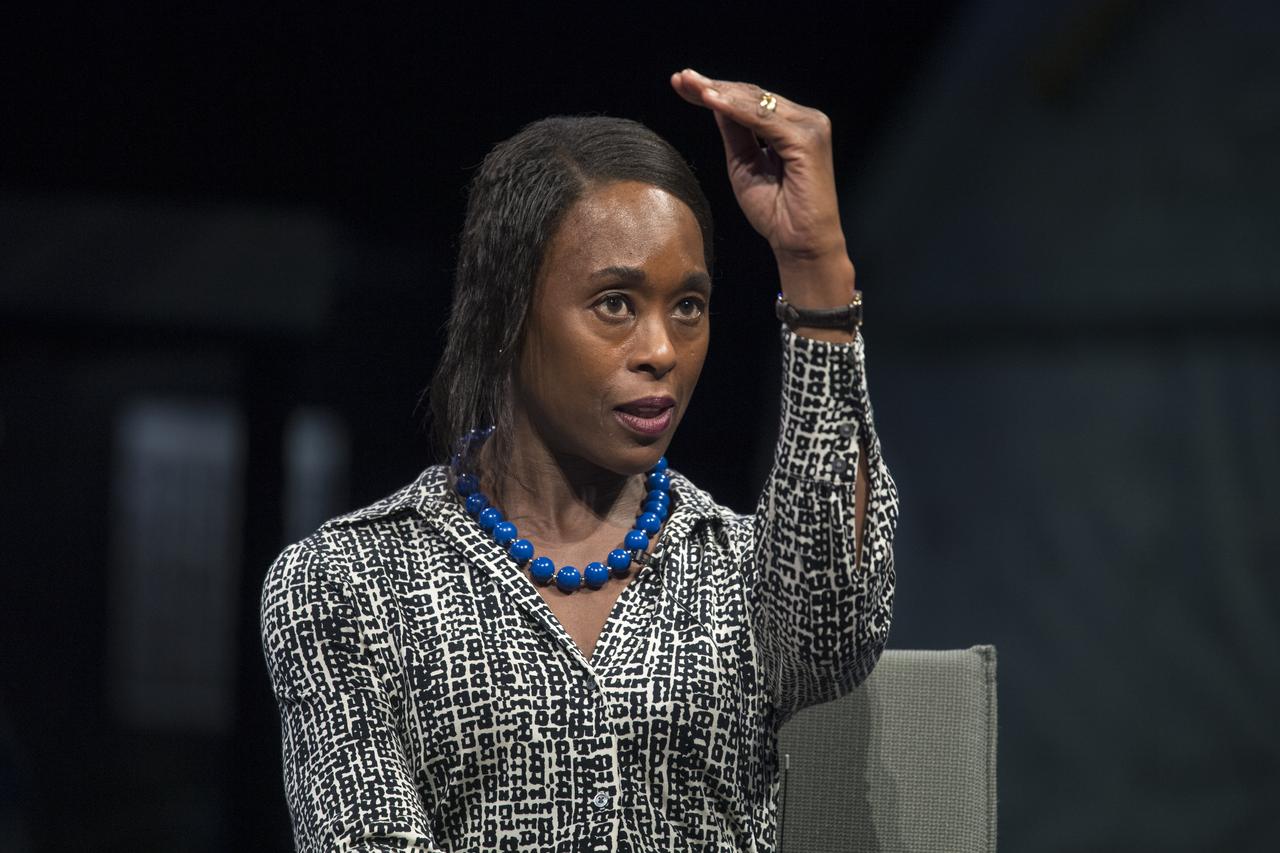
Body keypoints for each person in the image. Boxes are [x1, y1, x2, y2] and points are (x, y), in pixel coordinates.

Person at [261, 68, 898, 852]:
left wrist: (814, 264)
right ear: (507, 311)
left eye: (688, 307)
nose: (661, 350)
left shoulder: (739, 571)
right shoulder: (351, 583)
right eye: (614, 304)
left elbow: (834, 629)